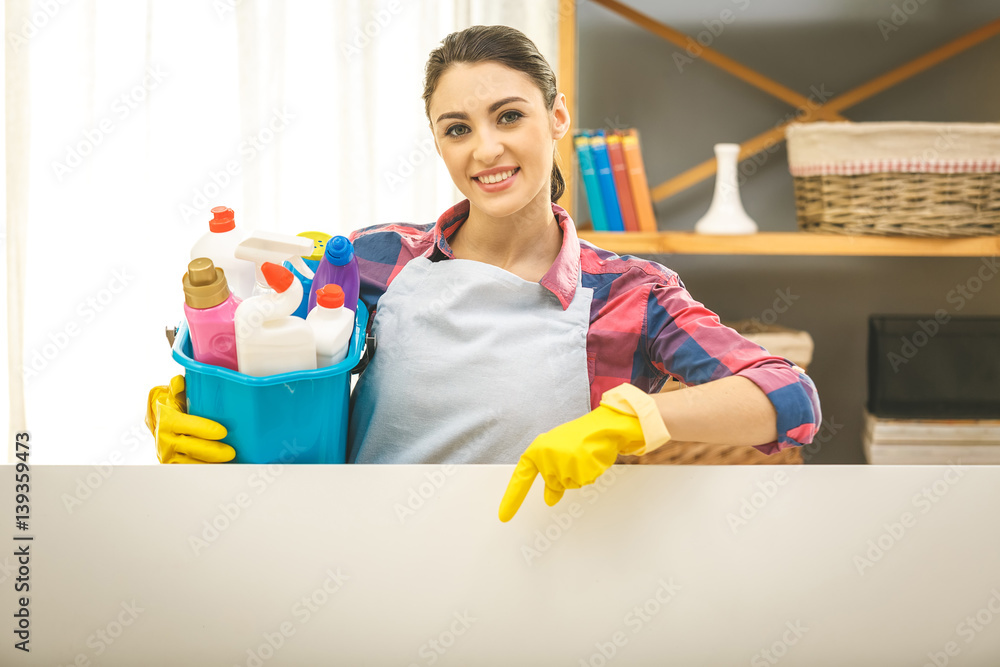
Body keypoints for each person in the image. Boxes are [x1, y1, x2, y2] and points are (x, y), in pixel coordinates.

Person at [147, 25, 821, 522]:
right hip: (358, 568)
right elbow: (243, 346)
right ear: (438, 143)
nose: (487, 148)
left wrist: (634, 418)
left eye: (509, 116)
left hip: (532, 586)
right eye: (458, 129)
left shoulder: (628, 294)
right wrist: (189, 407)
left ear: (556, 117)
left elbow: (789, 398)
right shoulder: (379, 259)